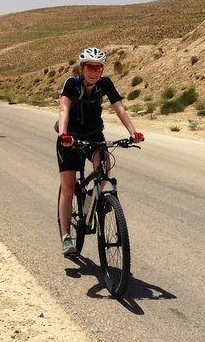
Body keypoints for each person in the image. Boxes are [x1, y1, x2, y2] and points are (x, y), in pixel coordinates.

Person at [56, 47, 143, 256]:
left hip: (94, 135)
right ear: (82, 67)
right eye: (90, 67)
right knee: (68, 188)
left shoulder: (105, 84)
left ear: (102, 70)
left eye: (98, 67)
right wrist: (63, 134)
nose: (94, 71)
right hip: (71, 137)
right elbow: (64, 109)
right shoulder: (72, 84)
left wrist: (134, 132)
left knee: (105, 171)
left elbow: (119, 108)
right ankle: (67, 237)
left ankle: (89, 201)